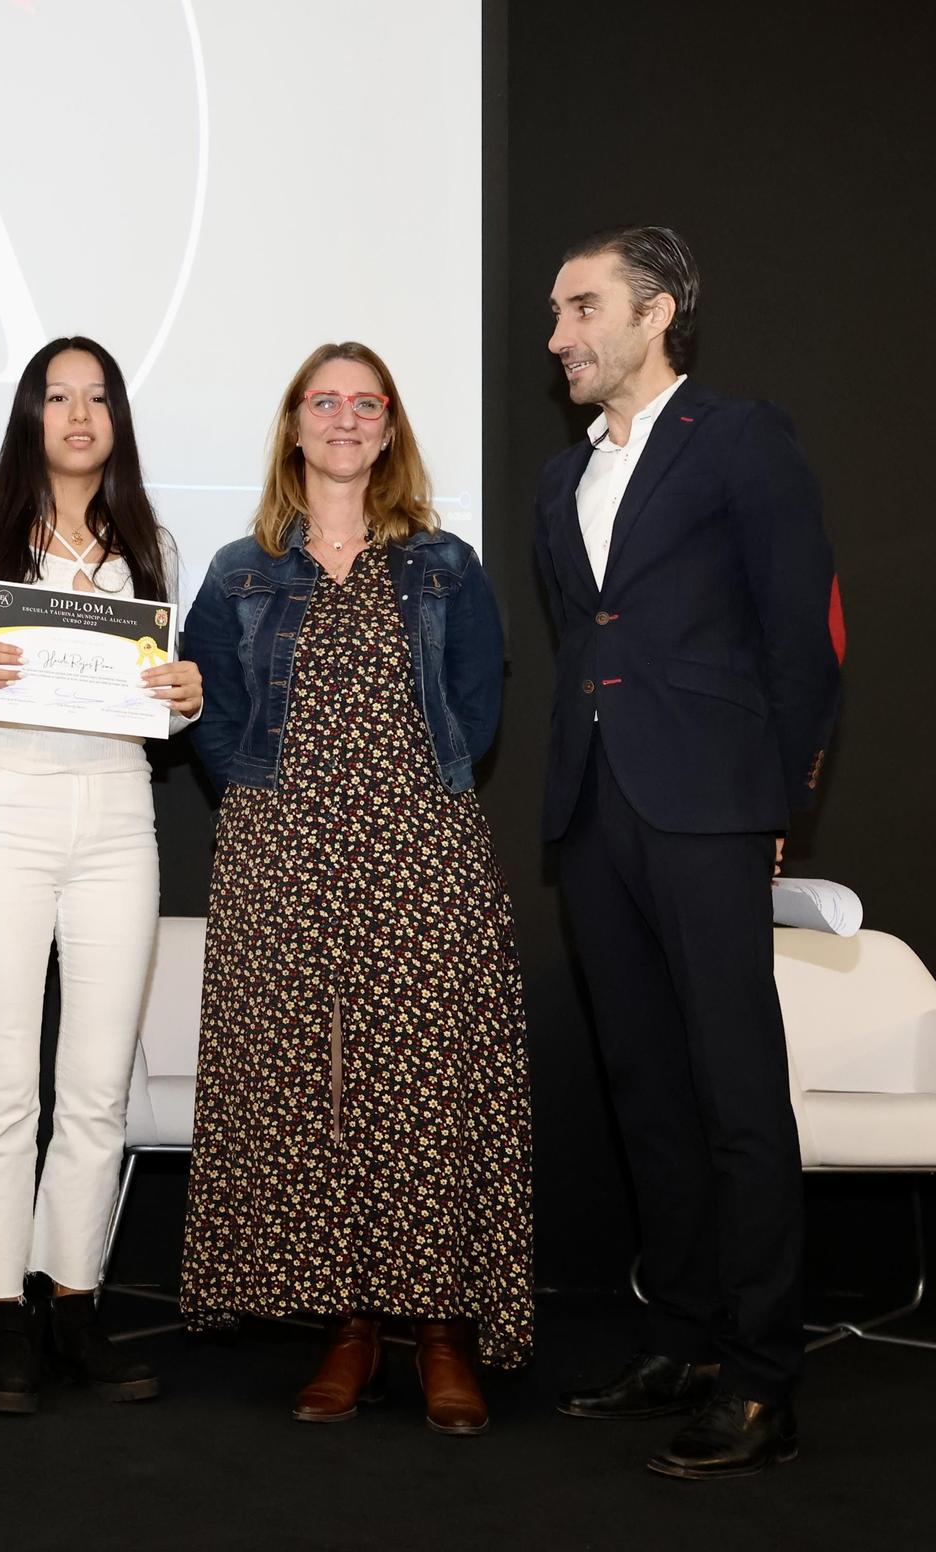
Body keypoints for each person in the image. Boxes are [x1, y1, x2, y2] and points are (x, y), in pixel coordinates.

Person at [177, 341, 530, 1435]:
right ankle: (346, 1325)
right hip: (278, 845)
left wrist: (398, 798)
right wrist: (273, 794)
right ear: (292, 426)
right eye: (321, 401)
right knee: (301, 1084)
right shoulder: (240, 567)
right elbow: (210, 705)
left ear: (387, 429)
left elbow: (476, 704)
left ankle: (437, 1330)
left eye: (362, 403)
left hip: (417, 845)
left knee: (428, 1076)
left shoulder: (444, 565)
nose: (341, 418)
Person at [537, 226, 839, 1479]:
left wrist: (773, 802)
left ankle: (765, 1379)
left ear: (654, 313)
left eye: (578, 308)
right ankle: (685, 1337)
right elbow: (581, 638)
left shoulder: (739, 435)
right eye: (553, 315)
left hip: (710, 807)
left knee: (733, 1097)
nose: (556, 337)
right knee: (645, 1092)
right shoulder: (563, 482)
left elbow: (801, 629)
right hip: (593, 811)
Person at [0, 337, 204, 1413]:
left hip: (120, 815)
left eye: (97, 396)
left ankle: (71, 1301)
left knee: (94, 1092)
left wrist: (186, 691)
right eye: (57, 396)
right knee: (1, 1085)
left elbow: (165, 702)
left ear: (117, 418)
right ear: (31, 415)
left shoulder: (152, 539)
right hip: (4, 815)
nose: (78, 413)